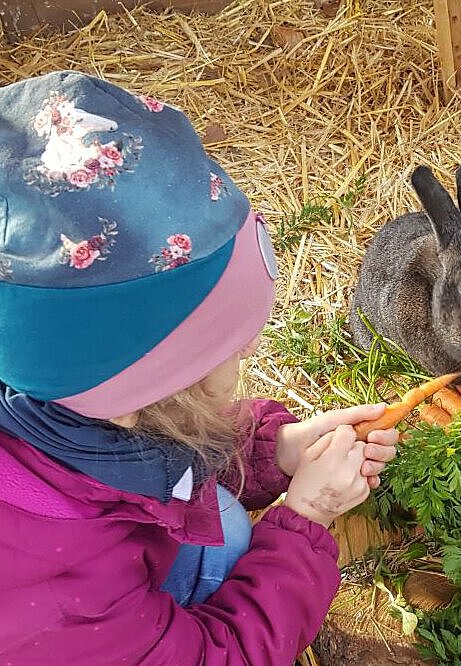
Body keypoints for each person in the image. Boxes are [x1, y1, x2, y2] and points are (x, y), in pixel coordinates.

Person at [0, 71, 399, 664]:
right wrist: (306, 517)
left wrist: (279, 451)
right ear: (154, 383)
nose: (244, 358)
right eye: (232, 349)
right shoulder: (56, 588)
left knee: (226, 527)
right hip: (77, 626)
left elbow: (151, 446)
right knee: (227, 535)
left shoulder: (67, 396)